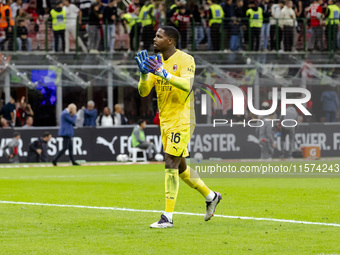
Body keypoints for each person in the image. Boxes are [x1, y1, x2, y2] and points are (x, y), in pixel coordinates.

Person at [135, 26, 221, 228]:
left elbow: (187, 85)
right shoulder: (156, 63)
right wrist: (144, 75)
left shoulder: (185, 59)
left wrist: (163, 73)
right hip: (165, 120)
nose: (154, 39)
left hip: (183, 118)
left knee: (170, 162)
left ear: (171, 41)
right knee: (180, 167)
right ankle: (211, 196)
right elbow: (143, 92)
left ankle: (167, 217)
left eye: (159, 36)